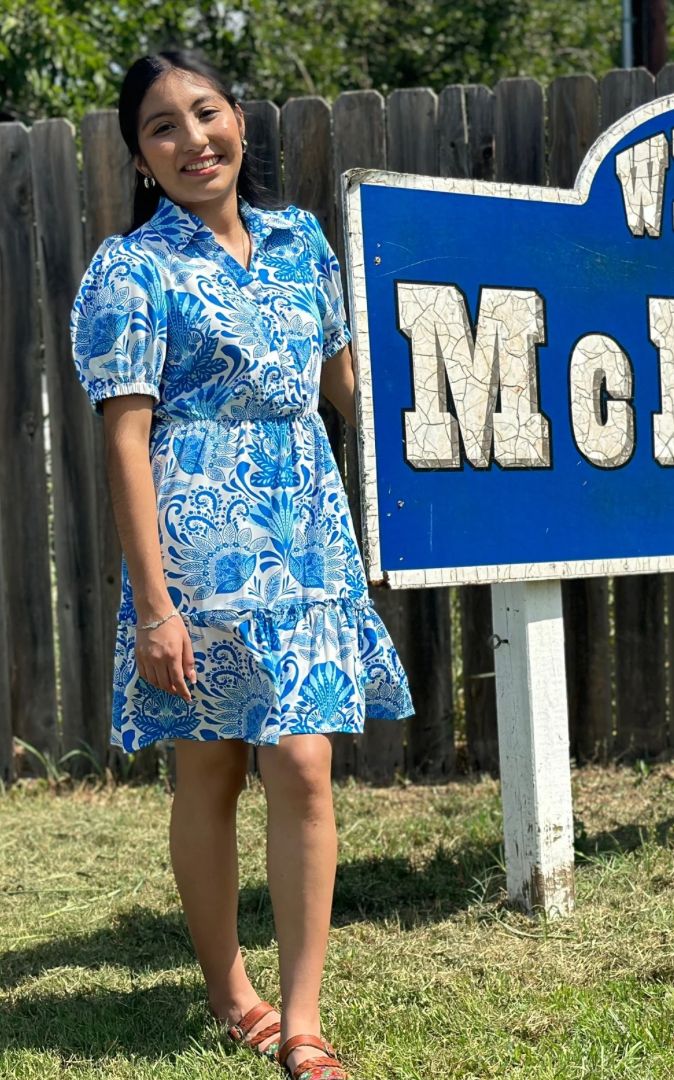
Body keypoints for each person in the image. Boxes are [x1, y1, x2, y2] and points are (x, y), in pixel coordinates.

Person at [69, 50, 413, 1080]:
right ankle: (231, 992)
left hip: (307, 534)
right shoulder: (130, 270)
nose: (191, 140)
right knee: (211, 770)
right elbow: (126, 440)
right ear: (141, 156)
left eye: (204, 113)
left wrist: (433, 463)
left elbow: (346, 384)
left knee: (304, 763)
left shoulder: (303, 242)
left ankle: (301, 1017)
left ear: (241, 124)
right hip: (197, 547)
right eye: (162, 128)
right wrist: (156, 608)